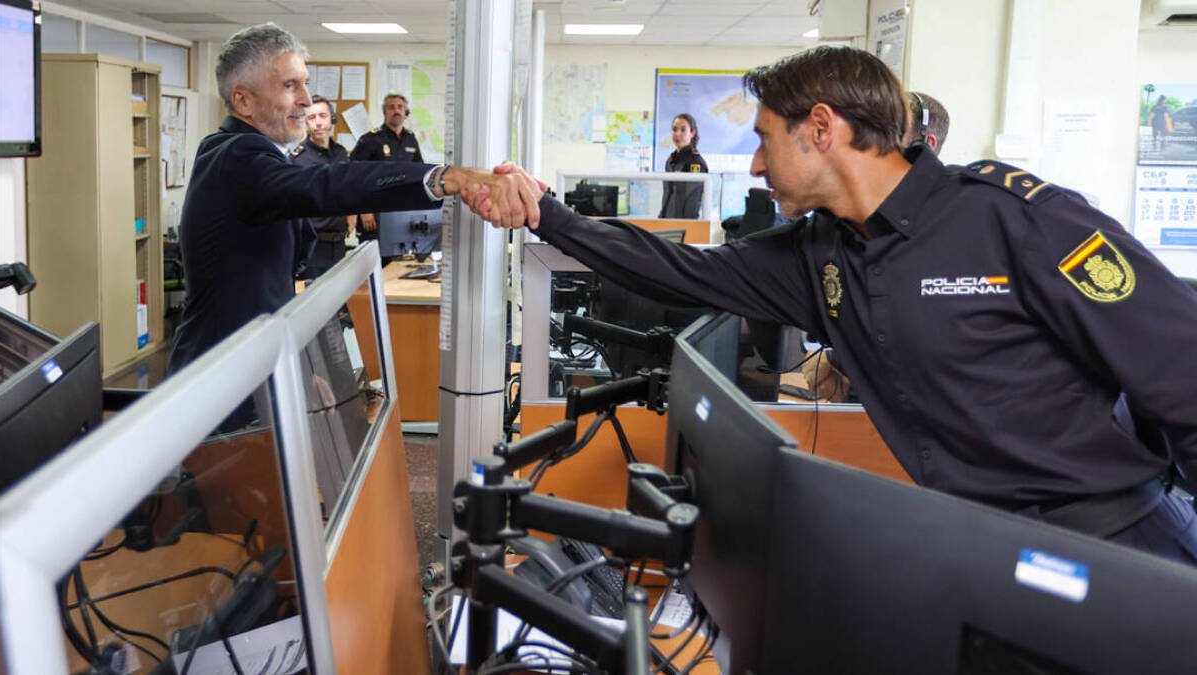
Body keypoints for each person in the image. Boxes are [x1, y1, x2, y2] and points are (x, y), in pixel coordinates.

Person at [475, 46, 1197, 564]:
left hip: (1123, 546)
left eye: (763, 140)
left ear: (821, 129)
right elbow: (681, 272)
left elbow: (1182, 366)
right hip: (992, 547)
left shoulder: (1014, 221)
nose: (755, 165)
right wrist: (551, 217)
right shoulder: (820, 255)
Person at [169, 22, 541, 376]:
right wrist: (447, 177)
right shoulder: (237, 155)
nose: (304, 99)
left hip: (255, 362)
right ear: (243, 101)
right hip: (225, 375)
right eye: (289, 86)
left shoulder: (250, 155)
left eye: (305, 83)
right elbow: (323, 185)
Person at [801, 89, 952, 402]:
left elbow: (919, 334)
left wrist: (839, 361)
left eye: (891, 134)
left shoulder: (950, 224)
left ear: (927, 145)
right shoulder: (862, 219)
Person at [289, 95, 355, 280]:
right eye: (311, 118)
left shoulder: (341, 153)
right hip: (313, 247)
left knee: (339, 301)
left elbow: (348, 188)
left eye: (322, 116)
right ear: (305, 122)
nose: (318, 123)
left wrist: (353, 214)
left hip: (339, 243)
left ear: (332, 119)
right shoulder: (298, 159)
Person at [350, 93, 424, 243]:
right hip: (374, 214)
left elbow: (419, 173)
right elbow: (353, 176)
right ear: (385, 112)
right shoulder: (370, 139)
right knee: (374, 261)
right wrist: (364, 210)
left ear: (405, 112)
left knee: (399, 258)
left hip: (402, 212)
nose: (396, 111)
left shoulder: (411, 139)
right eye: (391, 107)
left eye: (400, 107)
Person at [659, 113, 709, 219]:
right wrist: (661, 217)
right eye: (674, 129)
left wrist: (686, 225)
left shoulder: (695, 163)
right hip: (667, 221)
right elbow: (667, 195)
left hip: (684, 224)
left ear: (692, 133)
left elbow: (692, 203)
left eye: (683, 130)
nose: (677, 134)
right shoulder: (671, 160)